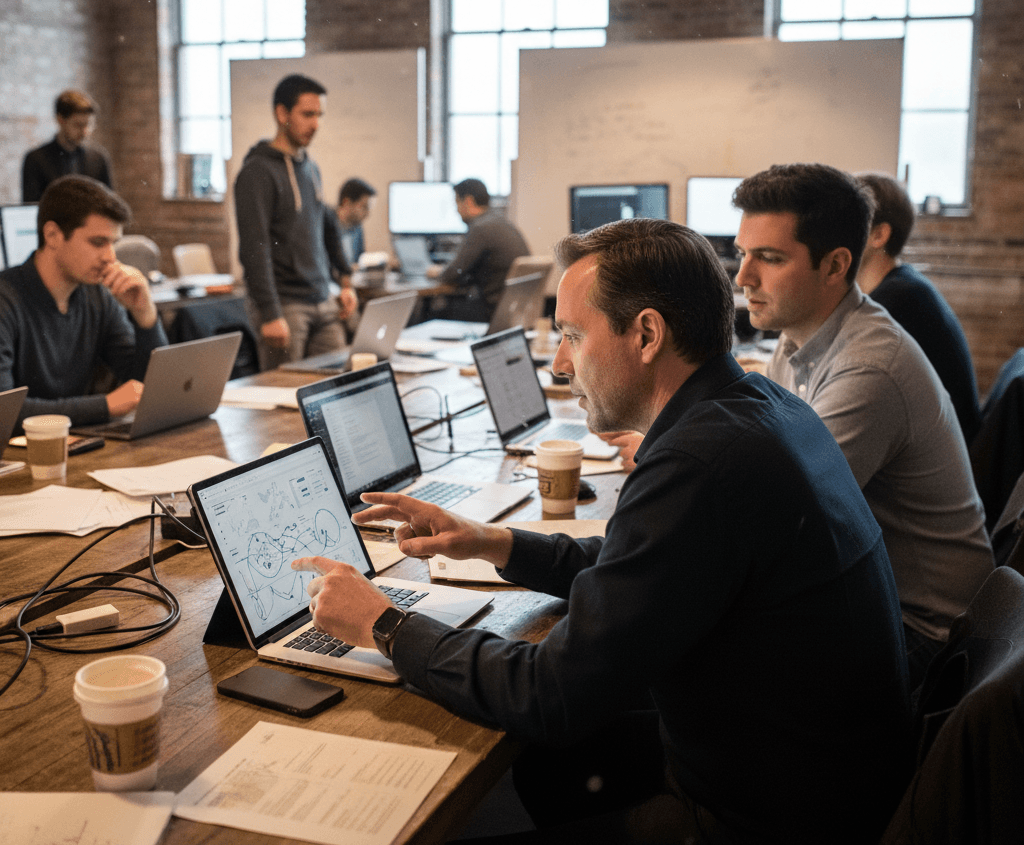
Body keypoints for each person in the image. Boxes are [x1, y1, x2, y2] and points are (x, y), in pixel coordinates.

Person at [293, 217, 912, 845]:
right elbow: (647, 562)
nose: (560, 364)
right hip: (816, 777)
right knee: (543, 765)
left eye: (571, 336)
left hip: (760, 818)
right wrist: (492, 542)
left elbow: (548, 694)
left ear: (646, 333)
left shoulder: (699, 464)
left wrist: (384, 623)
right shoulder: (760, 408)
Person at [732, 163, 993, 686]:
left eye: (770, 258)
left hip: (924, 634)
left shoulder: (870, 367)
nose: (743, 278)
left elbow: (782, 519)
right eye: (743, 254)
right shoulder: (801, 336)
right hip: (869, 596)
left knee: (700, 659)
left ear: (835, 265)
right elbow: (767, 458)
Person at [0, 175, 167, 426]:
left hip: (80, 446)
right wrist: (106, 406)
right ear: (53, 235)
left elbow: (145, 387)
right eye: (98, 242)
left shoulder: (97, 295)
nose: (110, 257)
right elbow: (4, 411)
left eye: (113, 243)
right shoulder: (5, 300)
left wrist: (145, 315)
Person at [234, 74, 359, 369]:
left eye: (319, 115)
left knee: (337, 385)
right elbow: (254, 246)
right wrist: (270, 313)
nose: (315, 124)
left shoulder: (310, 167)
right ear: (282, 113)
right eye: (307, 114)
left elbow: (327, 225)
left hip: (321, 299)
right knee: (283, 399)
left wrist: (345, 279)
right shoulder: (257, 173)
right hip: (285, 306)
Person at [857, 172, 981, 443]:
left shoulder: (899, 299)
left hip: (940, 454)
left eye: (848, 223)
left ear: (879, 235)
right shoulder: (902, 286)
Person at [426, 177, 529, 321]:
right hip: (510, 309)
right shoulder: (500, 222)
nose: (456, 210)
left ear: (467, 201)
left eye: (456, 202)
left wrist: (437, 271)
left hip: (490, 311)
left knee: (430, 312)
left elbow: (452, 274)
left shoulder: (480, 228)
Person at [22, 90, 113, 202]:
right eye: (78, 125)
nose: (85, 131)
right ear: (60, 120)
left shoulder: (98, 159)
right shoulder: (36, 159)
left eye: (88, 124)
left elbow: (109, 205)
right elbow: (32, 206)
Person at [336, 177, 376, 268]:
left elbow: (359, 261)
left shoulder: (357, 228)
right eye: (364, 207)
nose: (368, 214)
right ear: (346, 202)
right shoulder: (326, 226)